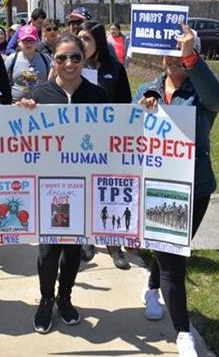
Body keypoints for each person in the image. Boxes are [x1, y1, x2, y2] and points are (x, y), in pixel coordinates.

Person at [135, 24, 219, 357]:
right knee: (174, 260)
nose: (175, 61)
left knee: (175, 245)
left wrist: (192, 58)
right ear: (161, 58)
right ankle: (183, 332)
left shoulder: (201, 93)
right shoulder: (146, 89)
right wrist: (140, 111)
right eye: (171, 55)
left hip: (196, 186)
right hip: (157, 187)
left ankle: (152, 286)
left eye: (182, 55)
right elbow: (129, 132)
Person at [16, 34, 109, 333]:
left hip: (82, 187)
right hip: (49, 188)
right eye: (61, 58)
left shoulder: (98, 96)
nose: (69, 64)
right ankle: (45, 300)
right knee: (48, 250)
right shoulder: (39, 96)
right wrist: (22, 113)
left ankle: (64, 297)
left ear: (84, 59)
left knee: (72, 250)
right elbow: (18, 139)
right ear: (53, 61)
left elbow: (114, 139)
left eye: (75, 58)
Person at [76, 21, 133, 268]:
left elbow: (125, 104)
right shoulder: (71, 67)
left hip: (108, 140)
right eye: (79, 39)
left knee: (109, 190)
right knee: (83, 189)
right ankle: (86, 237)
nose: (82, 44)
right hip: (78, 141)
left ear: (98, 41)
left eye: (87, 39)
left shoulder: (115, 68)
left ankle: (113, 242)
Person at [4, 25, 53, 102]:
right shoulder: (11, 59)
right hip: (16, 105)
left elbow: (52, 82)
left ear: (37, 42)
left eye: (31, 40)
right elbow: (3, 82)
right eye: (25, 40)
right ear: (19, 42)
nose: (28, 44)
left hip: (41, 105)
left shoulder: (46, 59)